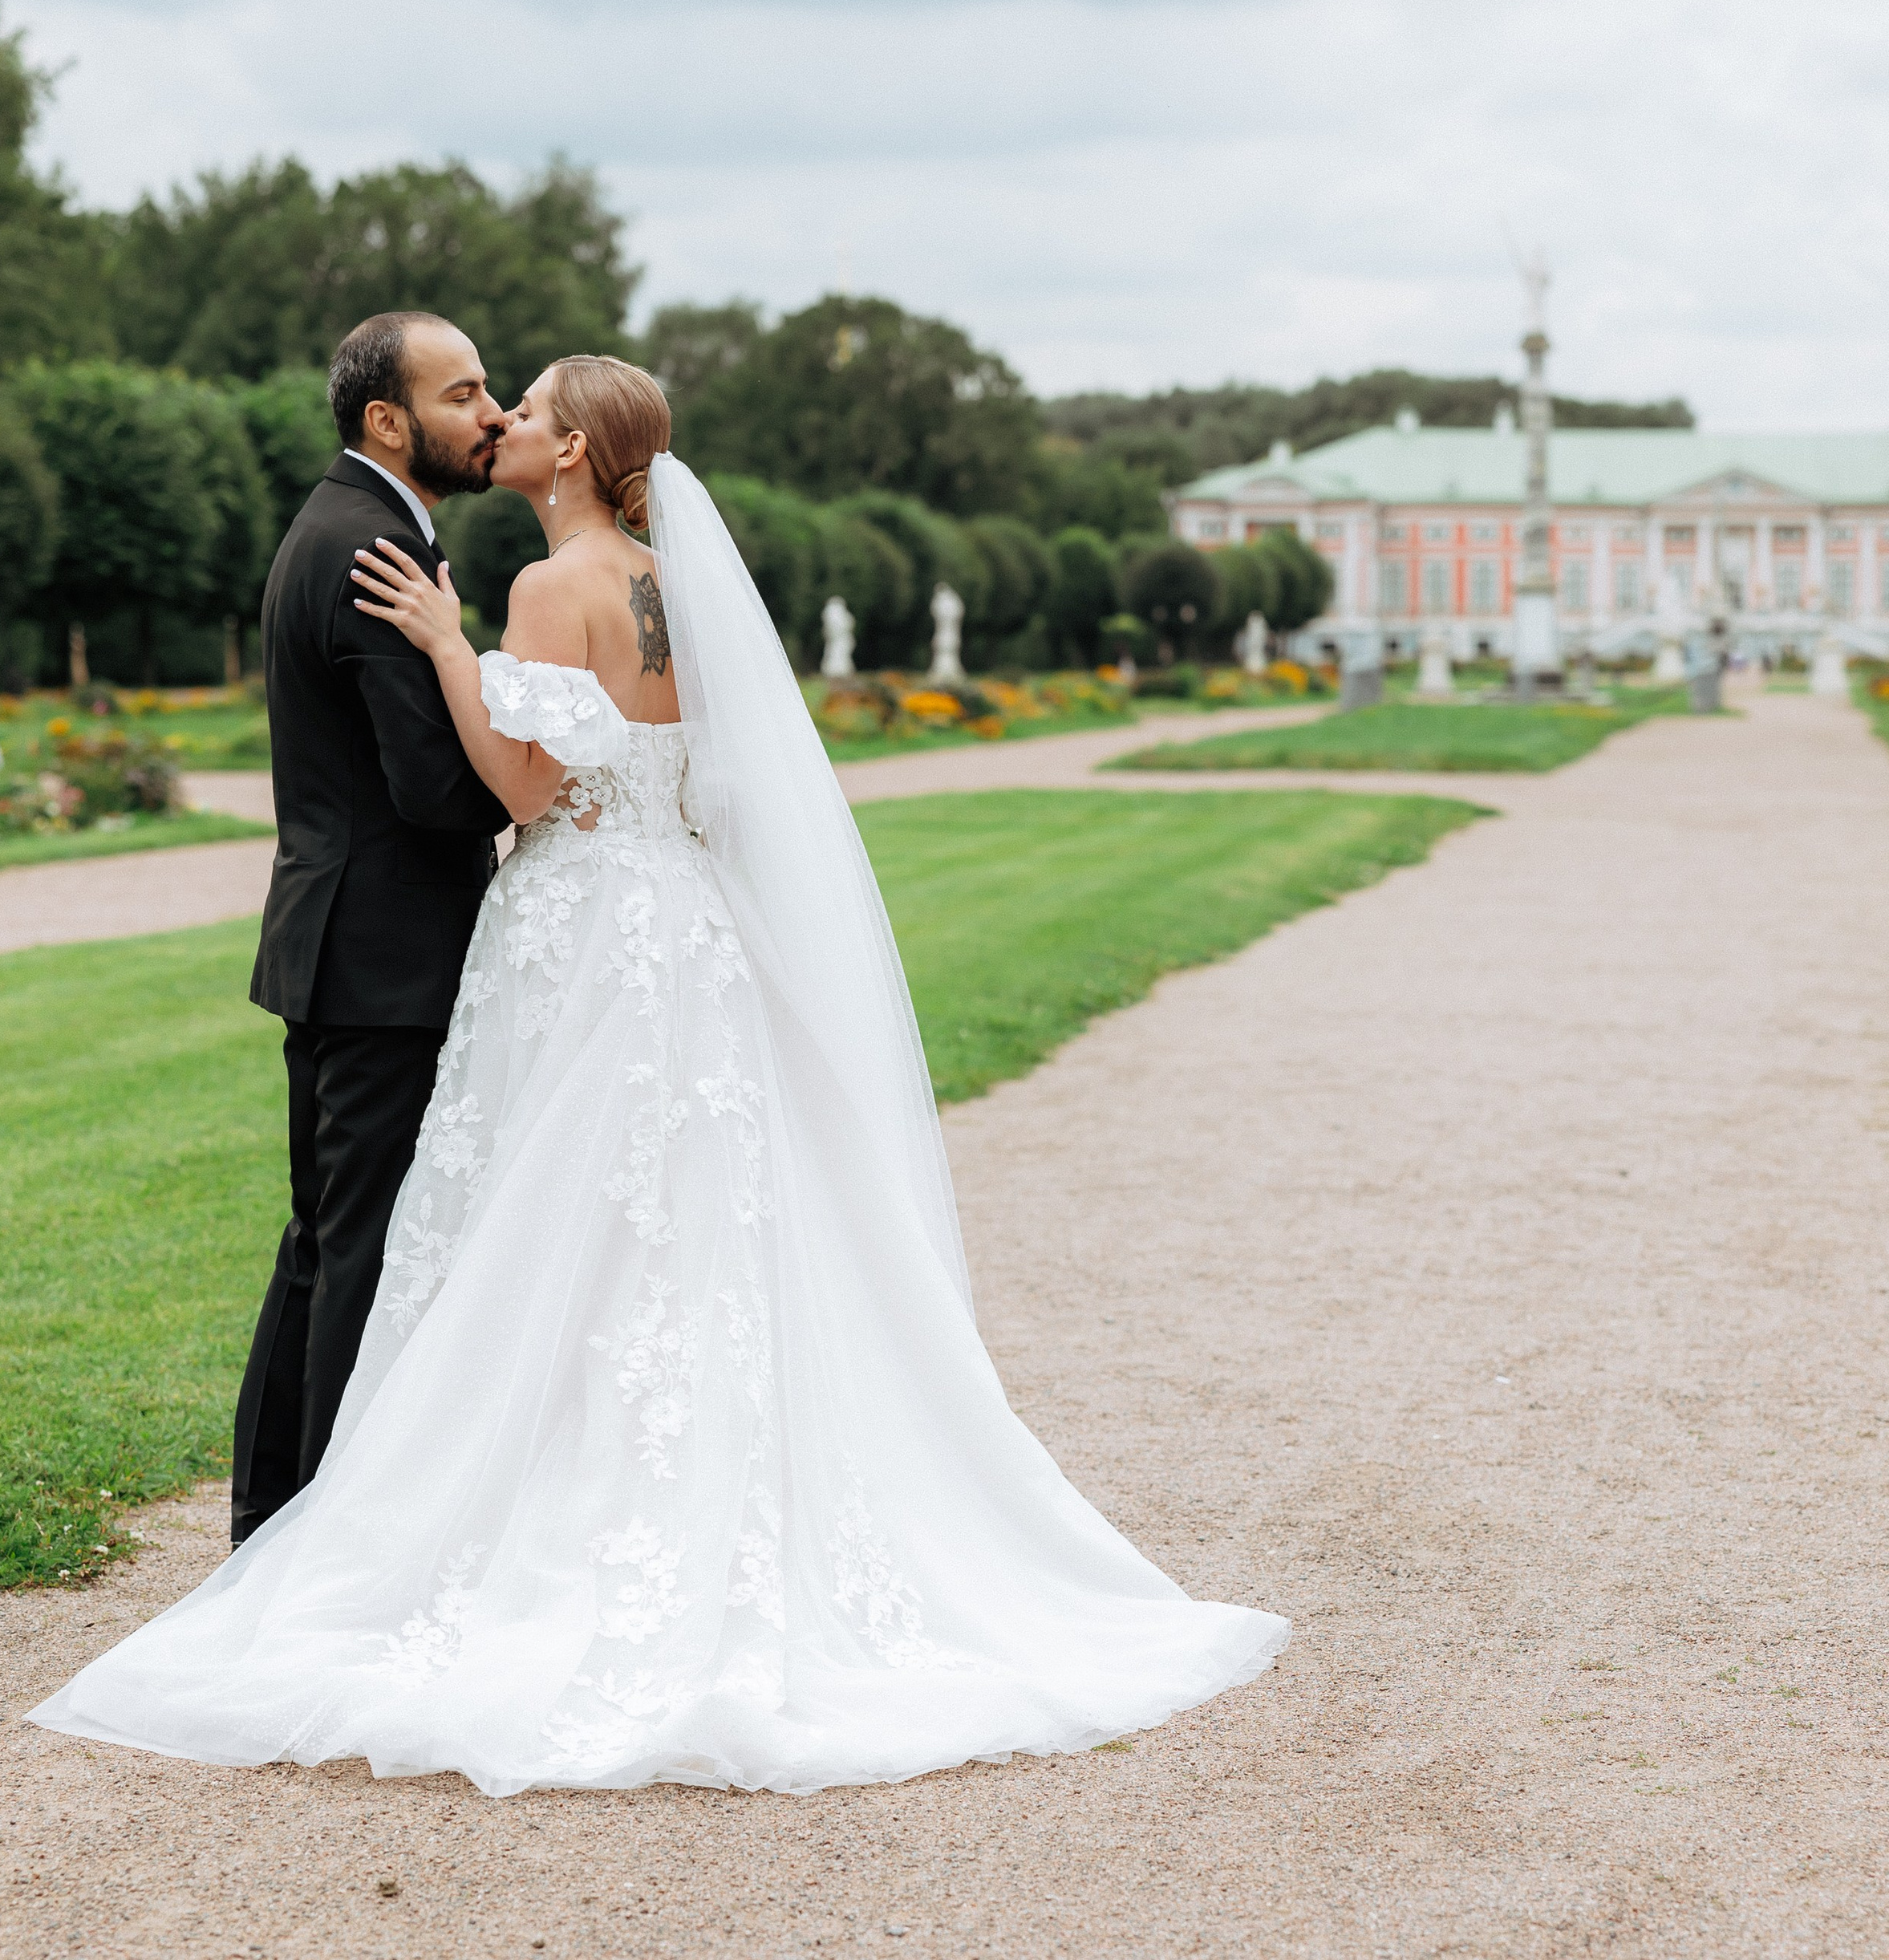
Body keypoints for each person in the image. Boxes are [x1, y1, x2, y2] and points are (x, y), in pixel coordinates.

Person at [30, 356, 1287, 1796]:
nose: (503, 420)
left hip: (579, 927)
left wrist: (450, 645)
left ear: (569, 453)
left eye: (528, 407)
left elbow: (528, 790)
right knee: (688, 1215)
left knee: (554, 1210)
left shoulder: (548, 590)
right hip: (685, 929)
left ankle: (517, 1500)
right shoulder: (676, 585)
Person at [233, 312, 509, 1547]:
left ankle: (275, 1522)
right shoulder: (373, 552)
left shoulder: (352, 527)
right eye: (465, 394)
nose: (491, 413)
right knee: (364, 1248)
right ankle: (326, 1542)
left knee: (330, 1237)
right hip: (386, 957)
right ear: (389, 420)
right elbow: (435, 792)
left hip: (348, 946)